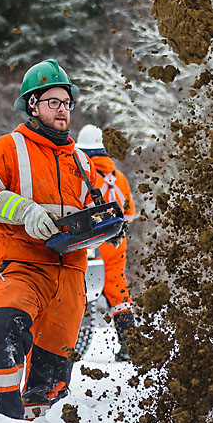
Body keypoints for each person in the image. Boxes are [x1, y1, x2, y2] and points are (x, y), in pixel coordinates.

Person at [0, 59, 122, 423]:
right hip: (22, 265)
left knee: (51, 376)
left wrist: (109, 229)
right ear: (32, 105)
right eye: (53, 102)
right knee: (4, 328)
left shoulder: (81, 161)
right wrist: (23, 210)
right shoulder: (8, 149)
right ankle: (3, 420)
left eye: (66, 102)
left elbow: (92, 210)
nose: (62, 110)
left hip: (70, 276)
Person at [76, 124, 139, 361]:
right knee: (118, 292)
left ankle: (70, 342)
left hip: (91, 244)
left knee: (78, 291)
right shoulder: (118, 177)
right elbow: (130, 213)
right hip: (117, 244)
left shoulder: (84, 175)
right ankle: (130, 344)